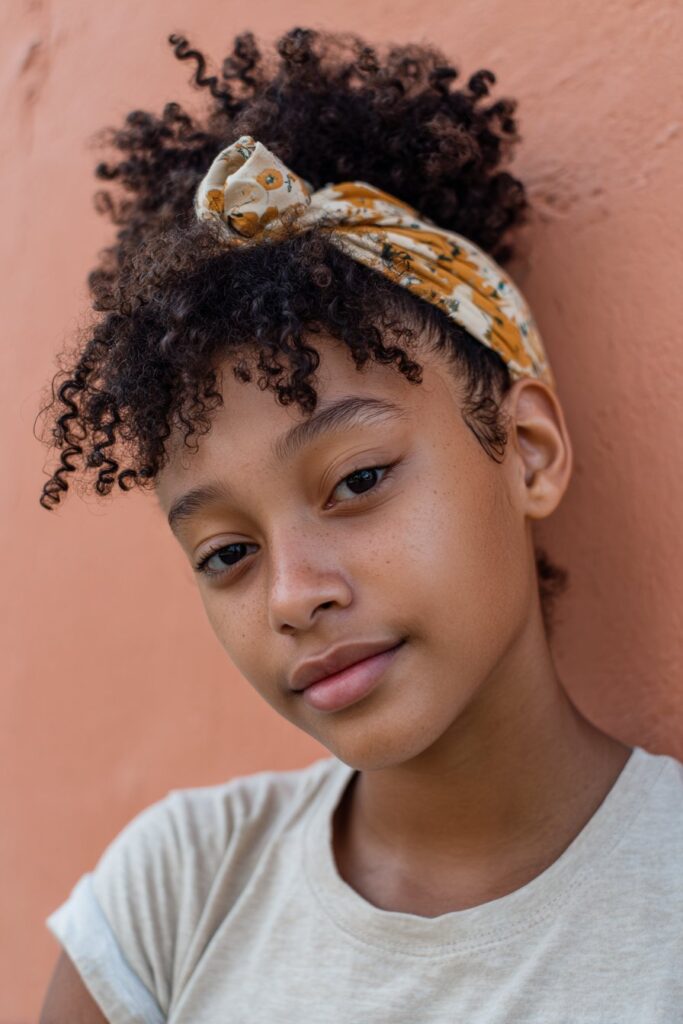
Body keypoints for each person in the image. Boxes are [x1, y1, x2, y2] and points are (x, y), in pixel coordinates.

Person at [37, 25, 682, 1024]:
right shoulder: (166, 907)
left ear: (526, 450)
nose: (294, 593)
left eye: (359, 477)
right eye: (227, 553)